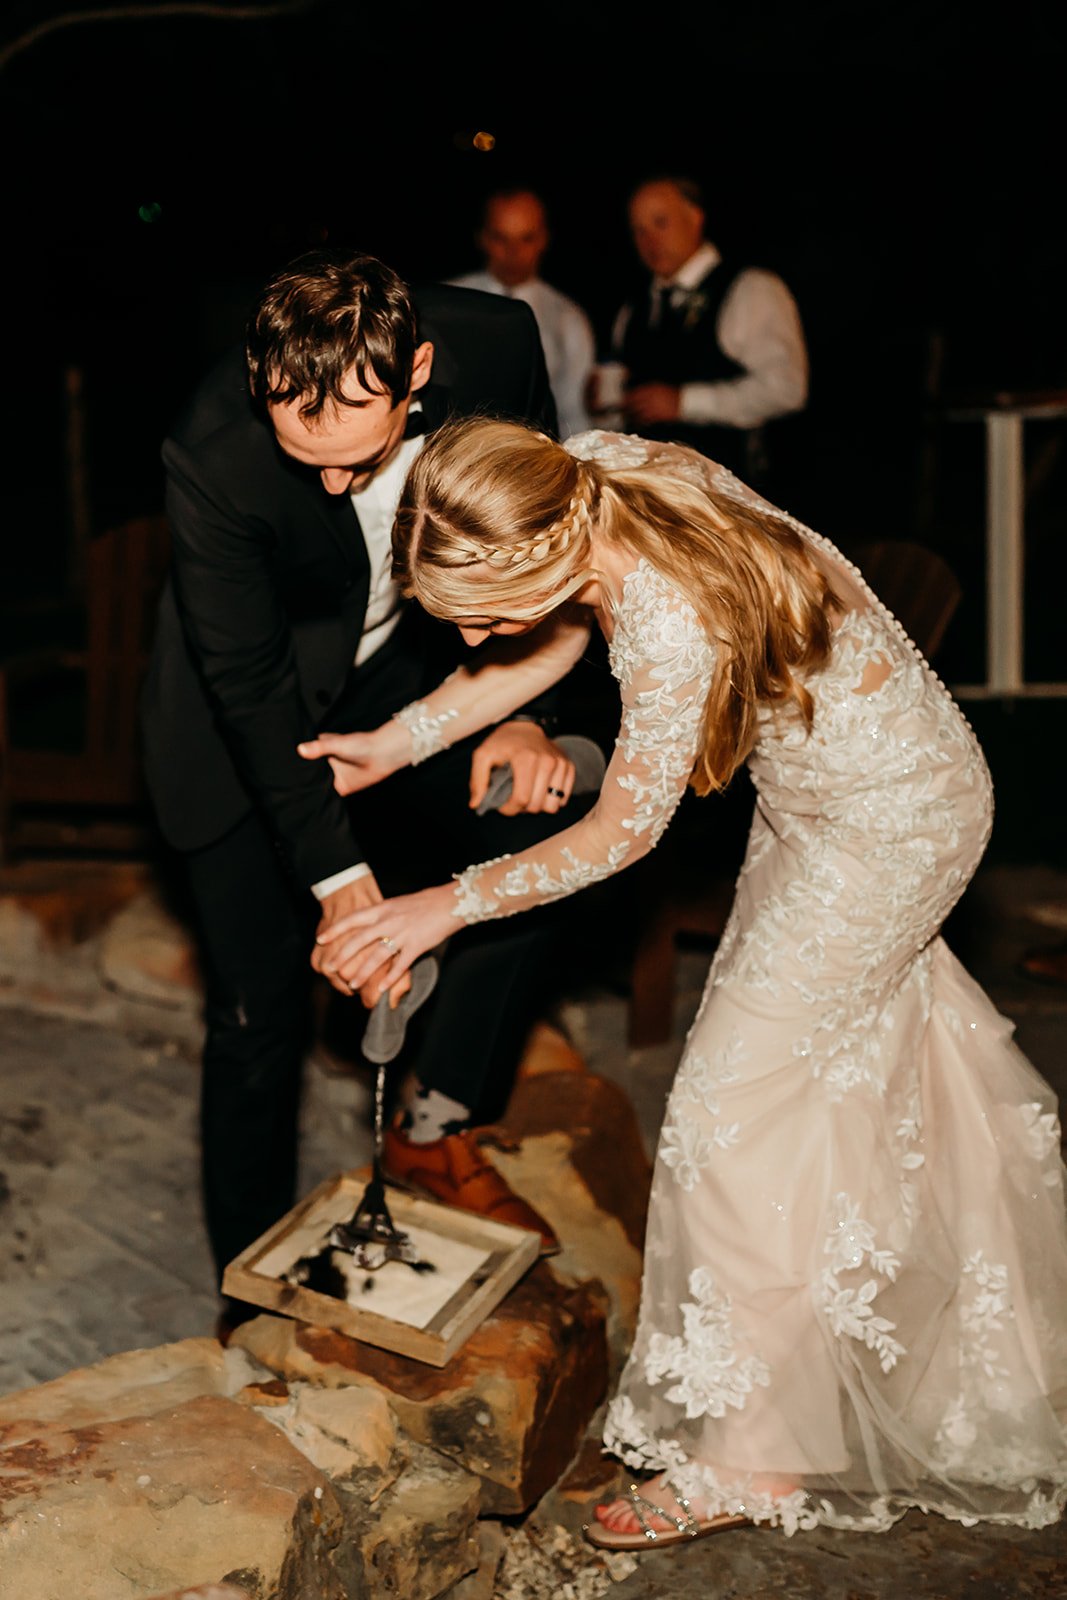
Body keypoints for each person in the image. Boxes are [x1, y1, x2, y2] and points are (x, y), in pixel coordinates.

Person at [308, 419, 1067, 1546]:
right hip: (829, 800)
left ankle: (749, 1462)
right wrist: (403, 736)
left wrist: (440, 905)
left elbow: (619, 832)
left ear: (542, 552)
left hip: (886, 826)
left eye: (480, 613)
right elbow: (553, 631)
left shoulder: (669, 618)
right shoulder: (585, 471)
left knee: (722, 1119)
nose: (469, 639)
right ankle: (939, 1351)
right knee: (833, 1083)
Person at [139, 248, 593, 1310]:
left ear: (418, 367)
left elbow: (534, 528)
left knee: (528, 835)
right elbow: (247, 694)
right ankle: (249, 1303)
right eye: (308, 459)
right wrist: (345, 889)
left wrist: (519, 706)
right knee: (258, 1022)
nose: (335, 484)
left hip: (412, 684)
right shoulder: (211, 452)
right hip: (243, 724)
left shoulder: (498, 343)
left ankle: (436, 1123)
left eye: (356, 454)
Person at [597, 175, 808, 489]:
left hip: (729, 497)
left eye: (660, 222)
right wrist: (606, 404)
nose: (649, 240)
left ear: (695, 218)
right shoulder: (634, 307)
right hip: (646, 496)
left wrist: (686, 402)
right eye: (639, 230)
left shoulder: (750, 289)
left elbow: (787, 390)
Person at [450, 187, 596, 439]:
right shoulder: (449, 303)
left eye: (526, 238)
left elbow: (573, 412)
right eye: (500, 238)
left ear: (543, 239)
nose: (513, 251)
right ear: (482, 238)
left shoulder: (568, 318)